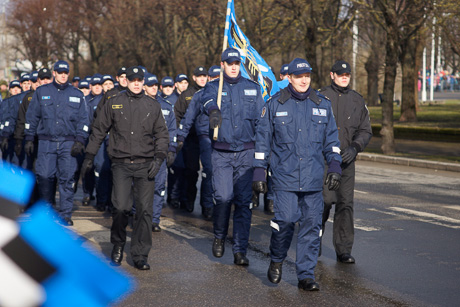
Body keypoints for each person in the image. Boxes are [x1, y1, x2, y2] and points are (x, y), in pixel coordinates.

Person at [253, 58, 342, 291]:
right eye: (299, 76)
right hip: (284, 178)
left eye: (307, 76)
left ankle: (306, 275)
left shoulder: (322, 104)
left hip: (313, 179)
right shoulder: (274, 104)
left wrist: (334, 165)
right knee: (284, 221)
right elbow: (263, 141)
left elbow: (332, 140)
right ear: (289, 78)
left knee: (312, 226)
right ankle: (277, 259)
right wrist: (259, 172)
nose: (304, 80)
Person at [82, 66, 169, 270]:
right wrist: (89, 155)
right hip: (121, 163)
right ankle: (118, 244)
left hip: (145, 165)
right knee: (121, 207)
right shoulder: (114, 103)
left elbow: (162, 135)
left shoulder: (152, 105)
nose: (137, 83)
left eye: (140, 79)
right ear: (126, 81)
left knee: (145, 211)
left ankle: (140, 254)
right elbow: (99, 130)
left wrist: (159, 158)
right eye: (133, 79)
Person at [201, 48, 265, 266]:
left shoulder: (252, 89)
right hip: (222, 153)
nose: (234, 66)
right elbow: (206, 101)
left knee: (243, 202)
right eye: (230, 63)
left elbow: (261, 123)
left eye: (237, 62)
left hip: (246, 153)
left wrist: (262, 156)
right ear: (222, 65)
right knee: (223, 198)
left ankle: (240, 250)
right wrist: (213, 111)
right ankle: (219, 235)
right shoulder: (214, 87)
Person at [318, 60, 372, 264]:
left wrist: (355, 147)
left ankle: (343, 250)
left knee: (345, 204)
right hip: (323, 161)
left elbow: (366, 130)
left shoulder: (357, 100)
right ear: (332, 75)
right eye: (340, 74)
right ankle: (314, 242)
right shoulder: (320, 97)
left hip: (346, 162)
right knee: (323, 202)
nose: (344, 77)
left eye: (347, 75)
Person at [24, 60, 89, 226]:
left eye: (65, 72)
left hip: (68, 143)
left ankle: (65, 213)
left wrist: (80, 140)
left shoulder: (76, 93)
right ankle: (47, 210)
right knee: (44, 176)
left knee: (67, 179)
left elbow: (83, 119)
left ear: (68, 73)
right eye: (59, 72)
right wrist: (30, 138)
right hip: (47, 142)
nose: (62, 75)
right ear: (54, 73)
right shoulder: (42, 92)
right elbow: (32, 117)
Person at [176, 65, 220, 219]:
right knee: (202, 170)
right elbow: (187, 117)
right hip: (201, 137)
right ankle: (203, 204)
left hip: (221, 138)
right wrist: (180, 136)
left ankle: (213, 204)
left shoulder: (227, 94)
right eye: (213, 78)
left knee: (215, 173)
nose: (216, 81)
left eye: (218, 78)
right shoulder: (199, 95)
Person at [144, 72, 177, 232]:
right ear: (144, 87)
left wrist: (171, 149)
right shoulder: (138, 104)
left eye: (155, 85)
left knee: (158, 187)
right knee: (141, 187)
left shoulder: (166, 106)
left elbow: (171, 130)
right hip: (142, 153)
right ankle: (139, 216)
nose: (153, 88)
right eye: (150, 85)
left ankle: (154, 220)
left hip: (160, 153)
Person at [174, 66, 208, 213]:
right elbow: (177, 115)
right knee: (191, 172)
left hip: (208, 139)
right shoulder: (186, 95)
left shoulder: (213, 92)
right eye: (199, 76)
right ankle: (188, 200)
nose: (202, 78)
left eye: (204, 76)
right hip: (191, 140)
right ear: (193, 78)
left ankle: (207, 206)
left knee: (209, 172)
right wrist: (179, 134)